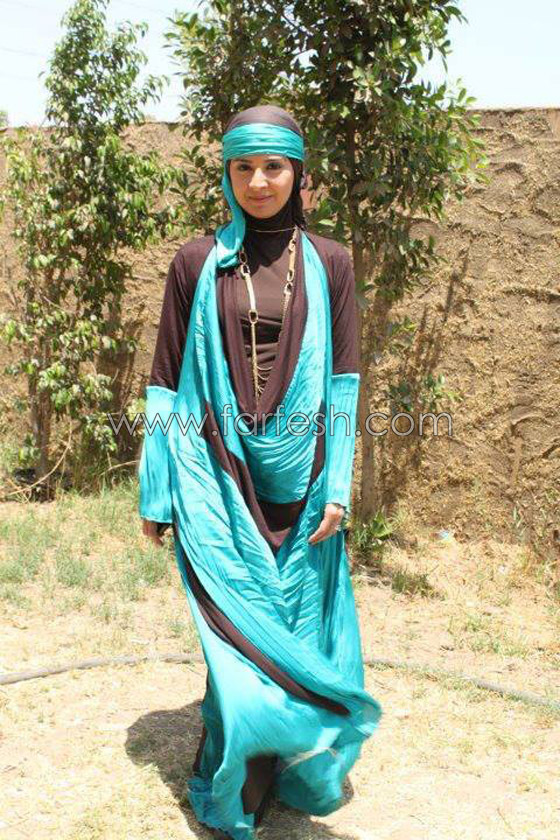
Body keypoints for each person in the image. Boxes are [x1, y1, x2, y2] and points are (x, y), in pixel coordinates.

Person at [138, 104, 382, 840]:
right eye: (242, 167)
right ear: (227, 174)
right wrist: (158, 487)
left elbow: (343, 380)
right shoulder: (196, 262)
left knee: (293, 629)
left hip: (304, 477)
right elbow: (166, 378)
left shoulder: (331, 262)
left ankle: (283, 760)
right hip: (212, 472)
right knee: (234, 628)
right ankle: (238, 770)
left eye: (273, 166)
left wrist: (336, 484)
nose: (258, 181)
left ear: (298, 173)